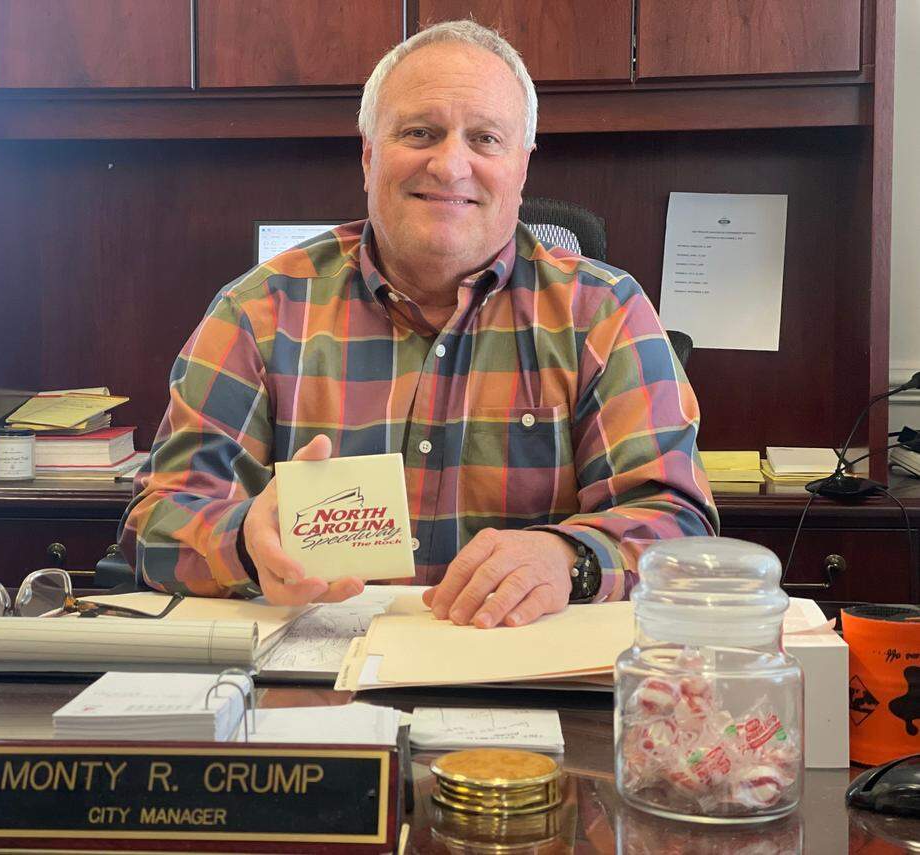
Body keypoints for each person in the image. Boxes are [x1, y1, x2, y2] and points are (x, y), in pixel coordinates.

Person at [119, 20, 718, 628]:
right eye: (420, 132)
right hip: (318, 682)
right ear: (369, 153)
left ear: (521, 167)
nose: (449, 164)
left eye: (485, 139)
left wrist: (568, 558)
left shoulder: (605, 313)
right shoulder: (258, 312)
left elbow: (676, 523)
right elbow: (157, 523)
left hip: (521, 674)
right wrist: (246, 541)